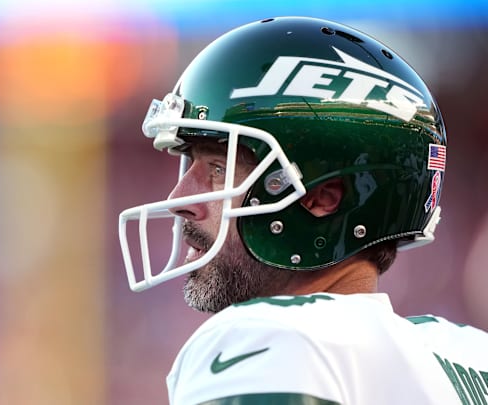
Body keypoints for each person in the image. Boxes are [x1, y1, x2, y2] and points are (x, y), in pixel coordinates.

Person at [117, 16, 488, 405]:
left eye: (219, 169)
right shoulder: (470, 356)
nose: (183, 200)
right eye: (189, 163)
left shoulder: (268, 338)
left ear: (322, 197)